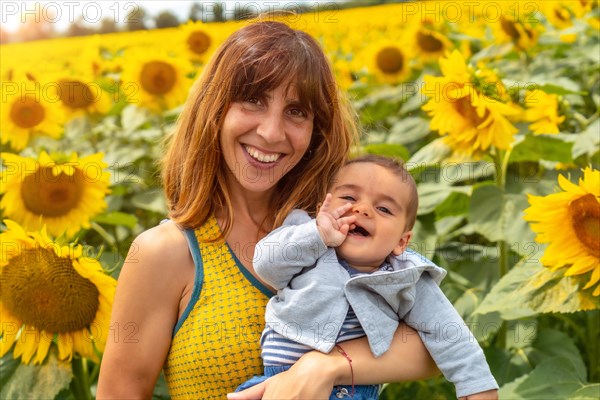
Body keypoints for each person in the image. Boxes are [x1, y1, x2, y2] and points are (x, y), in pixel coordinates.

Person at [97, 21, 443, 400]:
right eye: (254, 100)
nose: (272, 132)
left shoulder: (345, 227)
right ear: (214, 109)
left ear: (317, 131)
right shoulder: (163, 254)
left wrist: (324, 366)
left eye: (296, 111)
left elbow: (439, 339)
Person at [234, 155, 499, 400]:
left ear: (401, 241)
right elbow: (266, 265)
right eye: (348, 197)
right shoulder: (307, 242)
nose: (362, 209)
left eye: (384, 209)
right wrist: (317, 233)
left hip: (353, 391)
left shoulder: (404, 277)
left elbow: (448, 330)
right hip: (277, 384)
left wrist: (478, 387)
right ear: (321, 209)